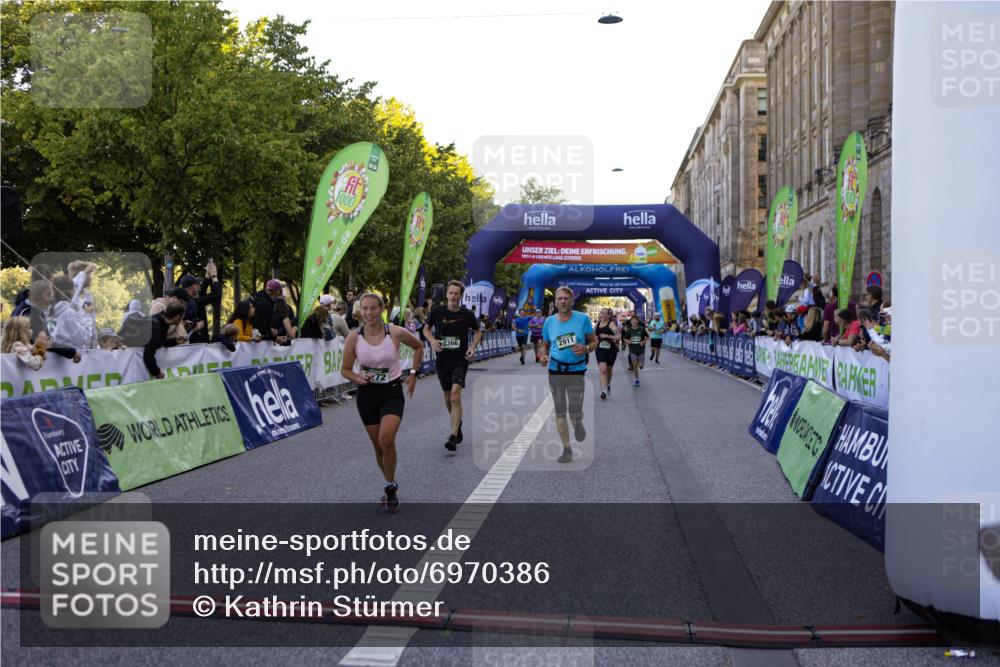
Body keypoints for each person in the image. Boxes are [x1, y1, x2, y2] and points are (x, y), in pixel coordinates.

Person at [340, 293, 423, 511]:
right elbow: (345, 369)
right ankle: (390, 484)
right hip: (367, 395)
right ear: (360, 311)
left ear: (382, 309)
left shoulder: (394, 332)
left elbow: (419, 346)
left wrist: (413, 373)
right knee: (378, 445)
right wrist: (359, 378)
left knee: (386, 440)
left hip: (391, 392)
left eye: (373, 308)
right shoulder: (353, 337)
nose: (369, 313)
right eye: (365, 309)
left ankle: (389, 485)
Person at [537, 286, 596, 463]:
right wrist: (543, 356)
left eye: (566, 298)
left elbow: (594, 342)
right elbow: (545, 344)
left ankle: (577, 422)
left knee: (574, 411)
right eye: (559, 298)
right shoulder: (549, 322)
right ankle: (567, 449)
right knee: (560, 411)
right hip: (555, 371)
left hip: (576, 371)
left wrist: (585, 348)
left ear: (571, 301)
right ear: (555, 302)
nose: (562, 301)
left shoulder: (583, 319)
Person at [424, 280, 482, 452]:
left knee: (455, 397)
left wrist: (472, 348)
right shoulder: (437, 311)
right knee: (448, 398)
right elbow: (425, 329)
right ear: (447, 294)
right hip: (443, 360)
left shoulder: (467, 314)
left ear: (461, 296)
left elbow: (479, 331)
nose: (454, 296)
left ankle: (453, 435)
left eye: (457, 293)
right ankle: (458, 424)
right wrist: (432, 340)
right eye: (451, 293)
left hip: (460, 359)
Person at [143, 302, 186, 378]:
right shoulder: (155, 326)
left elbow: (159, 342)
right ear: (177, 317)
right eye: (182, 317)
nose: (182, 320)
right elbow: (148, 353)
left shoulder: (162, 322)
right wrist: (157, 372)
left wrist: (175, 341)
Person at [594, 307, 620, 400]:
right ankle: (603, 391)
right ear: (600, 314)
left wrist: (607, 336)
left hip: (611, 350)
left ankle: (608, 384)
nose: (604, 315)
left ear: (609, 315)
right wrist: (595, 340)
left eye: (606, 313)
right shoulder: (597, 324)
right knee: (603, 370)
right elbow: (594, 335)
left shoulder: (611, 324)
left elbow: (618, 337)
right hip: (600, 350)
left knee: (609, 371)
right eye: (602, 313)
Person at [623, 315, 648, 388]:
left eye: (635, 320)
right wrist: (628, 341)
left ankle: (641, 364)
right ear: (630, 322)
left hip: (641, 350)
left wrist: (643, 341)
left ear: (637, 321)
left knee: (641, 366)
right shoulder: (629, 330)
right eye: (632, 320)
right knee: (634, 364)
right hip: (632, 350)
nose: (634, 321)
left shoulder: (642, 329)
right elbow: (624, 338)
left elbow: (647, 337)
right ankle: (636, 379)